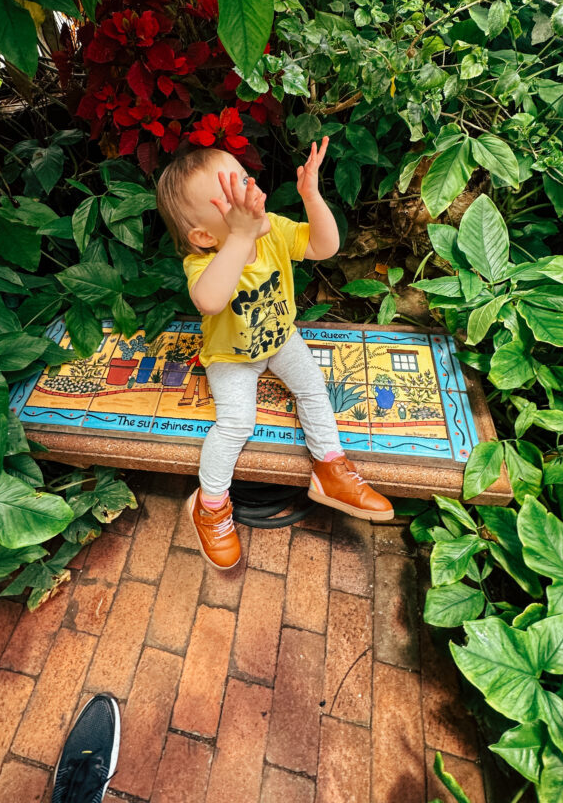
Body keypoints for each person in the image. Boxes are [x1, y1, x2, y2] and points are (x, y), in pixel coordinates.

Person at [156, 136, 394, 570]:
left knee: (314, 389)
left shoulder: (275, 233)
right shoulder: (204, 262)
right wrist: (239, 240)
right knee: (235, 424)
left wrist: (311, 196)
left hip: (281, 339)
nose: (253, 194)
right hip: (232, 357)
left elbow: (325, 248)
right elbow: (209, 300)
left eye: (246, 180)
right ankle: (209, 505)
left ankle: (329, 468)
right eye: (233, 197)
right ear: (205, 235)